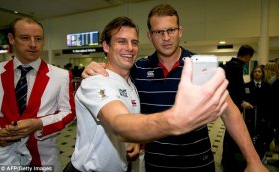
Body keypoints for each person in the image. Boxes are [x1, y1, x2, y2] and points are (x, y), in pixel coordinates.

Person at [82, 4, 268, 172]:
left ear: (180, 31)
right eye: (158, 32)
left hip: (198, 162)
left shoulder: (201, 66)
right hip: (156, 164)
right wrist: (95, 67)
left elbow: (229, 112)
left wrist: (253, 160)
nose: (166, 38)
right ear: (149, 36)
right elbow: (117, 79)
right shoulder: (139, 69)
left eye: (171, 30)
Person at [65, 16, 231, 172]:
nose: (129, 48)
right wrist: (175, 120)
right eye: (121, 41)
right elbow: (118, 122)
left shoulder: (132, 80)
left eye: (134, 42)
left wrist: (137, 140)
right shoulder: (96, 81)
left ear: (180, 31)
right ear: (106, 46)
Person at [0, 17, 76, 171]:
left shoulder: (61, 76)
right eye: (25, 38)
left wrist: (39, 124)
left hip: (43, 157)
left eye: (38, 39)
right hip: (3, 156)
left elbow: (69, 113)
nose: (33, 44)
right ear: (11, 39)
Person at [221, 45, 256, 171]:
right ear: (247, 56)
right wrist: (241, 101)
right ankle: (228, 162)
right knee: (232, 134)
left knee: (230, 133)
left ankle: (227, 160)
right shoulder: (236, 67)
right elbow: (234, 88)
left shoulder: (231, 64)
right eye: (250, 57)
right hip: (233, 106)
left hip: (229, 104)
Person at [243, 66, 272, 158]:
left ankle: (260, 156)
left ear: (262, 74)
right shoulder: (247, 86)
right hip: (249, 115)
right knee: (249, 135)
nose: (257, 73)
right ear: (252, 74)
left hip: (262, 116)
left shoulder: (267, 86)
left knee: (261, 136)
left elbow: (269, 102)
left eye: (259, 71)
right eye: (255, 71)